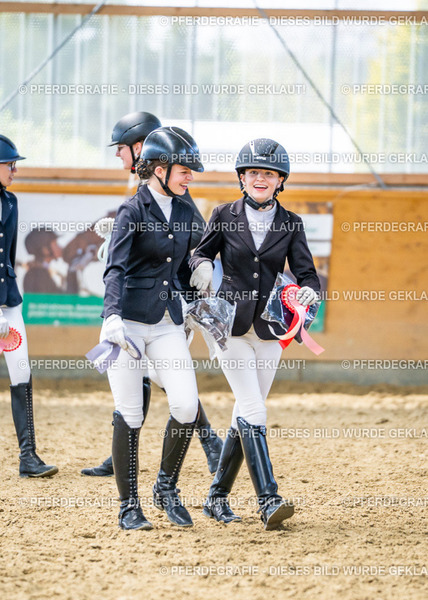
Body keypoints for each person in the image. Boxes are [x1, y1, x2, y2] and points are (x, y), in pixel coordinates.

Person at [81, 112, 222, 477]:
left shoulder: (176, 195)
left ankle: (208, 441)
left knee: (166, 382)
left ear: (140, 148)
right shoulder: (138, 197)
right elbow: (125, 258)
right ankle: (134, 455)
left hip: (168, 309)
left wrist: (202, 266)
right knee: (145, 379)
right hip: (134, 311)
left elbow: (197, 242)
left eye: (121, 148)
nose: (118, 155)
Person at [189, 138, 321, 530]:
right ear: (242, 178)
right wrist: (200, 266)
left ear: (280, 180)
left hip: (270, 329)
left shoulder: (291, 223)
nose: (260, 178)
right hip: (230, 326)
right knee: (254, 408)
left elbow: (307, 272)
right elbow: (201, 253)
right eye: (253, 172)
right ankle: (269, 499)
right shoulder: (223, 214)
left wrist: (309, 291)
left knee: (245, 411)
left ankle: (216, 498)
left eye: (268, 173)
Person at [102, 125, 206, 530]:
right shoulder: (131, 210)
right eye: (184, 170)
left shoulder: (184, 211)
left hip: (166, 324)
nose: (190, 177)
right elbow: (115, 269)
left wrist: (199, 272)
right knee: (130, 412)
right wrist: (111, 316)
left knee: (186, 406)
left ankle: (165, 488)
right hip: (126, 325)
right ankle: (129, 506)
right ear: (160, 169)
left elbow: (182, 263)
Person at [0, 134, 58, 477]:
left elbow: (7, 256)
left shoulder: (11, 202)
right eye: (10, 165)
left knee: (21, 371)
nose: (15, 171)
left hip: (8, 301)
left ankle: (28, 457)